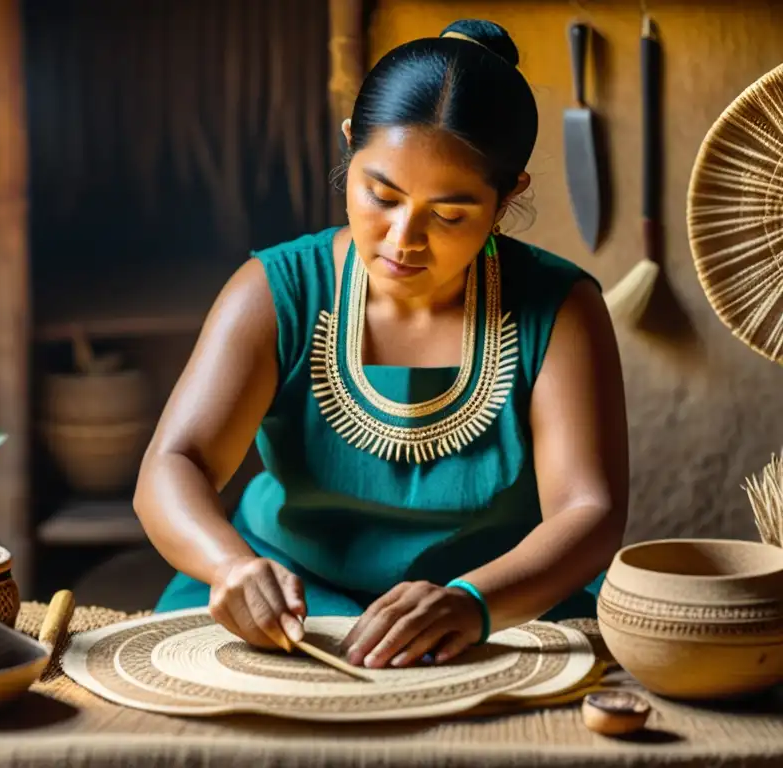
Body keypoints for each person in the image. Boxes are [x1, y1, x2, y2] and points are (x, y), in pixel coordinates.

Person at [133, 19, 628, 670]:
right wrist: (230, 566)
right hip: (287, 605)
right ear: (349, 147)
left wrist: (473, 602)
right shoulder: (277, 291)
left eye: (449, 214)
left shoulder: (560, 308)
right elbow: (174, 463)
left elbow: (588, 510)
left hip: (494, 613)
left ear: (508, 197)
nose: (403, 238)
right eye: (381, 195)